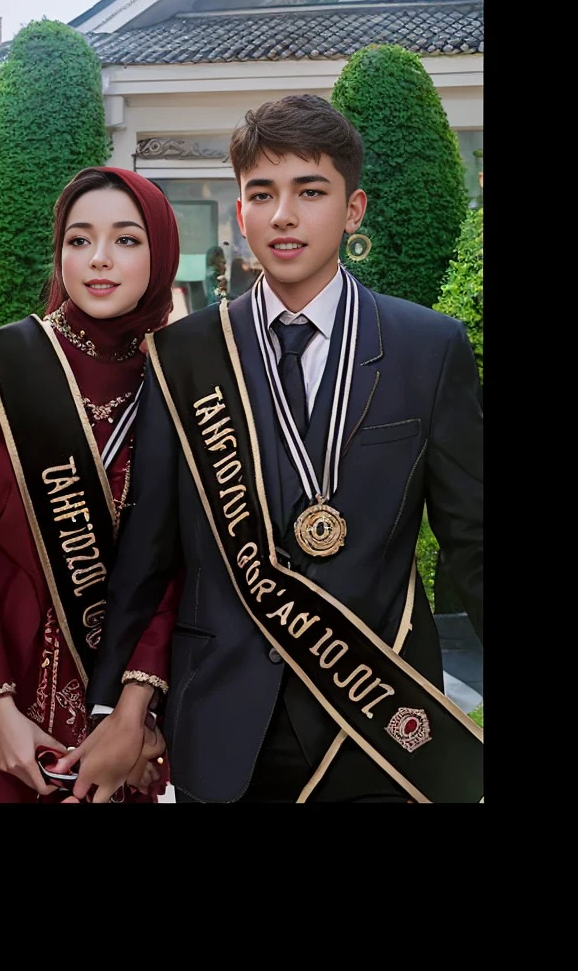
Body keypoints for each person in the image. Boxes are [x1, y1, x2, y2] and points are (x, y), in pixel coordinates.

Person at [56, 95, 483, 804]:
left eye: (310, 191)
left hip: (376, 720)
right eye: (262, 193)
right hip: (220, 727)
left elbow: (472, 541)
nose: (283, 214)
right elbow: (148, 552)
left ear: (353, 210)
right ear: (240, 214)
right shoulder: (185, 355)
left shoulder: (428, 349)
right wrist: (113, 709)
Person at [0, 166, 181, 803]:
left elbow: (184, 565)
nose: (99, 260)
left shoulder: (185, 381)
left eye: (127, 240)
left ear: (161, 252)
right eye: (79, 240)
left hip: (122, 722)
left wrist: (133, 713)